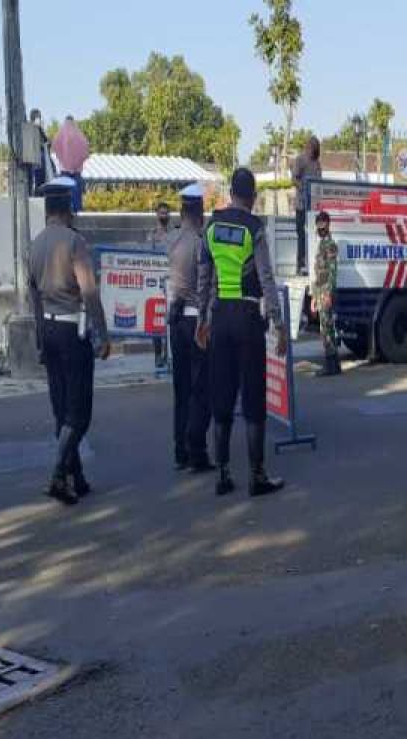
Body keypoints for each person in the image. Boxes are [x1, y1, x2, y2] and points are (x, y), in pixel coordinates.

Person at [195, 167, 287, 498]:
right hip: (248, 317)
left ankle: (222, 474)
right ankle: (257, 475)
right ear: (253, 197)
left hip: (219, 318)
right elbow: (266, 278)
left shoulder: (212, 225)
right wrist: (278, 323)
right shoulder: (254, 228)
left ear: (231, 193)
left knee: (221, 395)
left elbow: (203, 278)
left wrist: (201, 321)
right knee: (252, 398)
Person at [28, 177, 111, 505]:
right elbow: (89, 292)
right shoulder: (75, 243)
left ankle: (77, 477)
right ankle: (58, 475)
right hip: (70, 333)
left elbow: (33, 297)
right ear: (68, 209)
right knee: (80, 412)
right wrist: (102, 335)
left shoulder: (34, 245)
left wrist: (37, 340)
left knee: (61, 409)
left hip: (47, 331)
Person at [166, 184, 213, 473]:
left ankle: (180, 450)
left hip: (175, 319)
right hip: (196, 320)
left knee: (181, 388)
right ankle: (198, 451)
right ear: (199, 213)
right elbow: (205, 286)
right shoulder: (200, 242)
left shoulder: (171, 240)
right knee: (200, 388)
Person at [312, 210, 341, 377]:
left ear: (328, 224)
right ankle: (333, 365)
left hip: (326, 292)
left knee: (327, 329)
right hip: (321, 292)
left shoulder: (330, 244)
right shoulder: (321, 244)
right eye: (318, 224)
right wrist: (315, 297)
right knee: (326, 328)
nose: (320, 227)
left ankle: (331, 366)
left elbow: (332, 271)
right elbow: (319, 274)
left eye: (322, 224)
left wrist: (328, 294)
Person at [149, 200, 175, 369]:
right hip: (155, 282)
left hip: (171, 280)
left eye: (166, 213)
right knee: (156, 319)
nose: (163, 216)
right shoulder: (152, 235)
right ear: (157, 215)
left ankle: (168, 353)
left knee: (169, 319)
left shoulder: (174, 234)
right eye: (161, 213)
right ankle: (158, 354)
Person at [291, 136, 322, 276]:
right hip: (301, 205)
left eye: (316, 150)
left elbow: (320, 183)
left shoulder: (317, 164)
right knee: (301, 236)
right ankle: (300, 265)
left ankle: (312, 265)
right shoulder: (300, 160)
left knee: (314, 236)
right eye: (312, 148)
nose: (313, 152)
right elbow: (294, 179)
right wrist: (304, 189)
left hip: (313, 208)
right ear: (308, 147)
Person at [52, 116, 89, 212]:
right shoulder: (80, 136)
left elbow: (55, 145)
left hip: (64, 173)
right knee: (77, 201)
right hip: (77, 174)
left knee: (65, 200)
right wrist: (76, 164)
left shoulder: (60, 135)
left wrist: (63, 160)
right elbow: (85, 151)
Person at [28, 109, 54, 194]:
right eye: (38, 117)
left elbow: (46, 141)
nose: (40, 119)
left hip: (39, 161)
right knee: (38, 183)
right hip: (36, 161)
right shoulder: (31, 128)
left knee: (41, 183)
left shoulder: (39, 129)